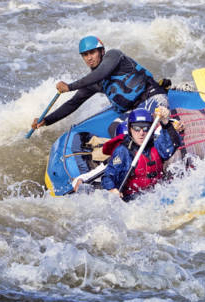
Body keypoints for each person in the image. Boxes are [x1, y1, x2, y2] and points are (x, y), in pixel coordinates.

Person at [30, 36, 168, 130]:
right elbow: (72, 104)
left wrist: (70, 86)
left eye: (92, 53)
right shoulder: (91, 82)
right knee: (114, 129)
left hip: (152, 97)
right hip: (133, 111)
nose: (89, 58)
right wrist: (47, 120)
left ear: (102, 51)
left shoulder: (114, 56)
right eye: (85, 55)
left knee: (150, 125)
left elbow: (101, 73)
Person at [101, 106, 181, 201]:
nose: (141, 133)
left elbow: (173, 144)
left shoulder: (156, 144)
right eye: (137, 128)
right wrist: (112, 189)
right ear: (130, 129)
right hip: (134, 201)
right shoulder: (123, 151)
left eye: (146, 128)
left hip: (159, 195)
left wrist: (166, 123)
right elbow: (108, 175)